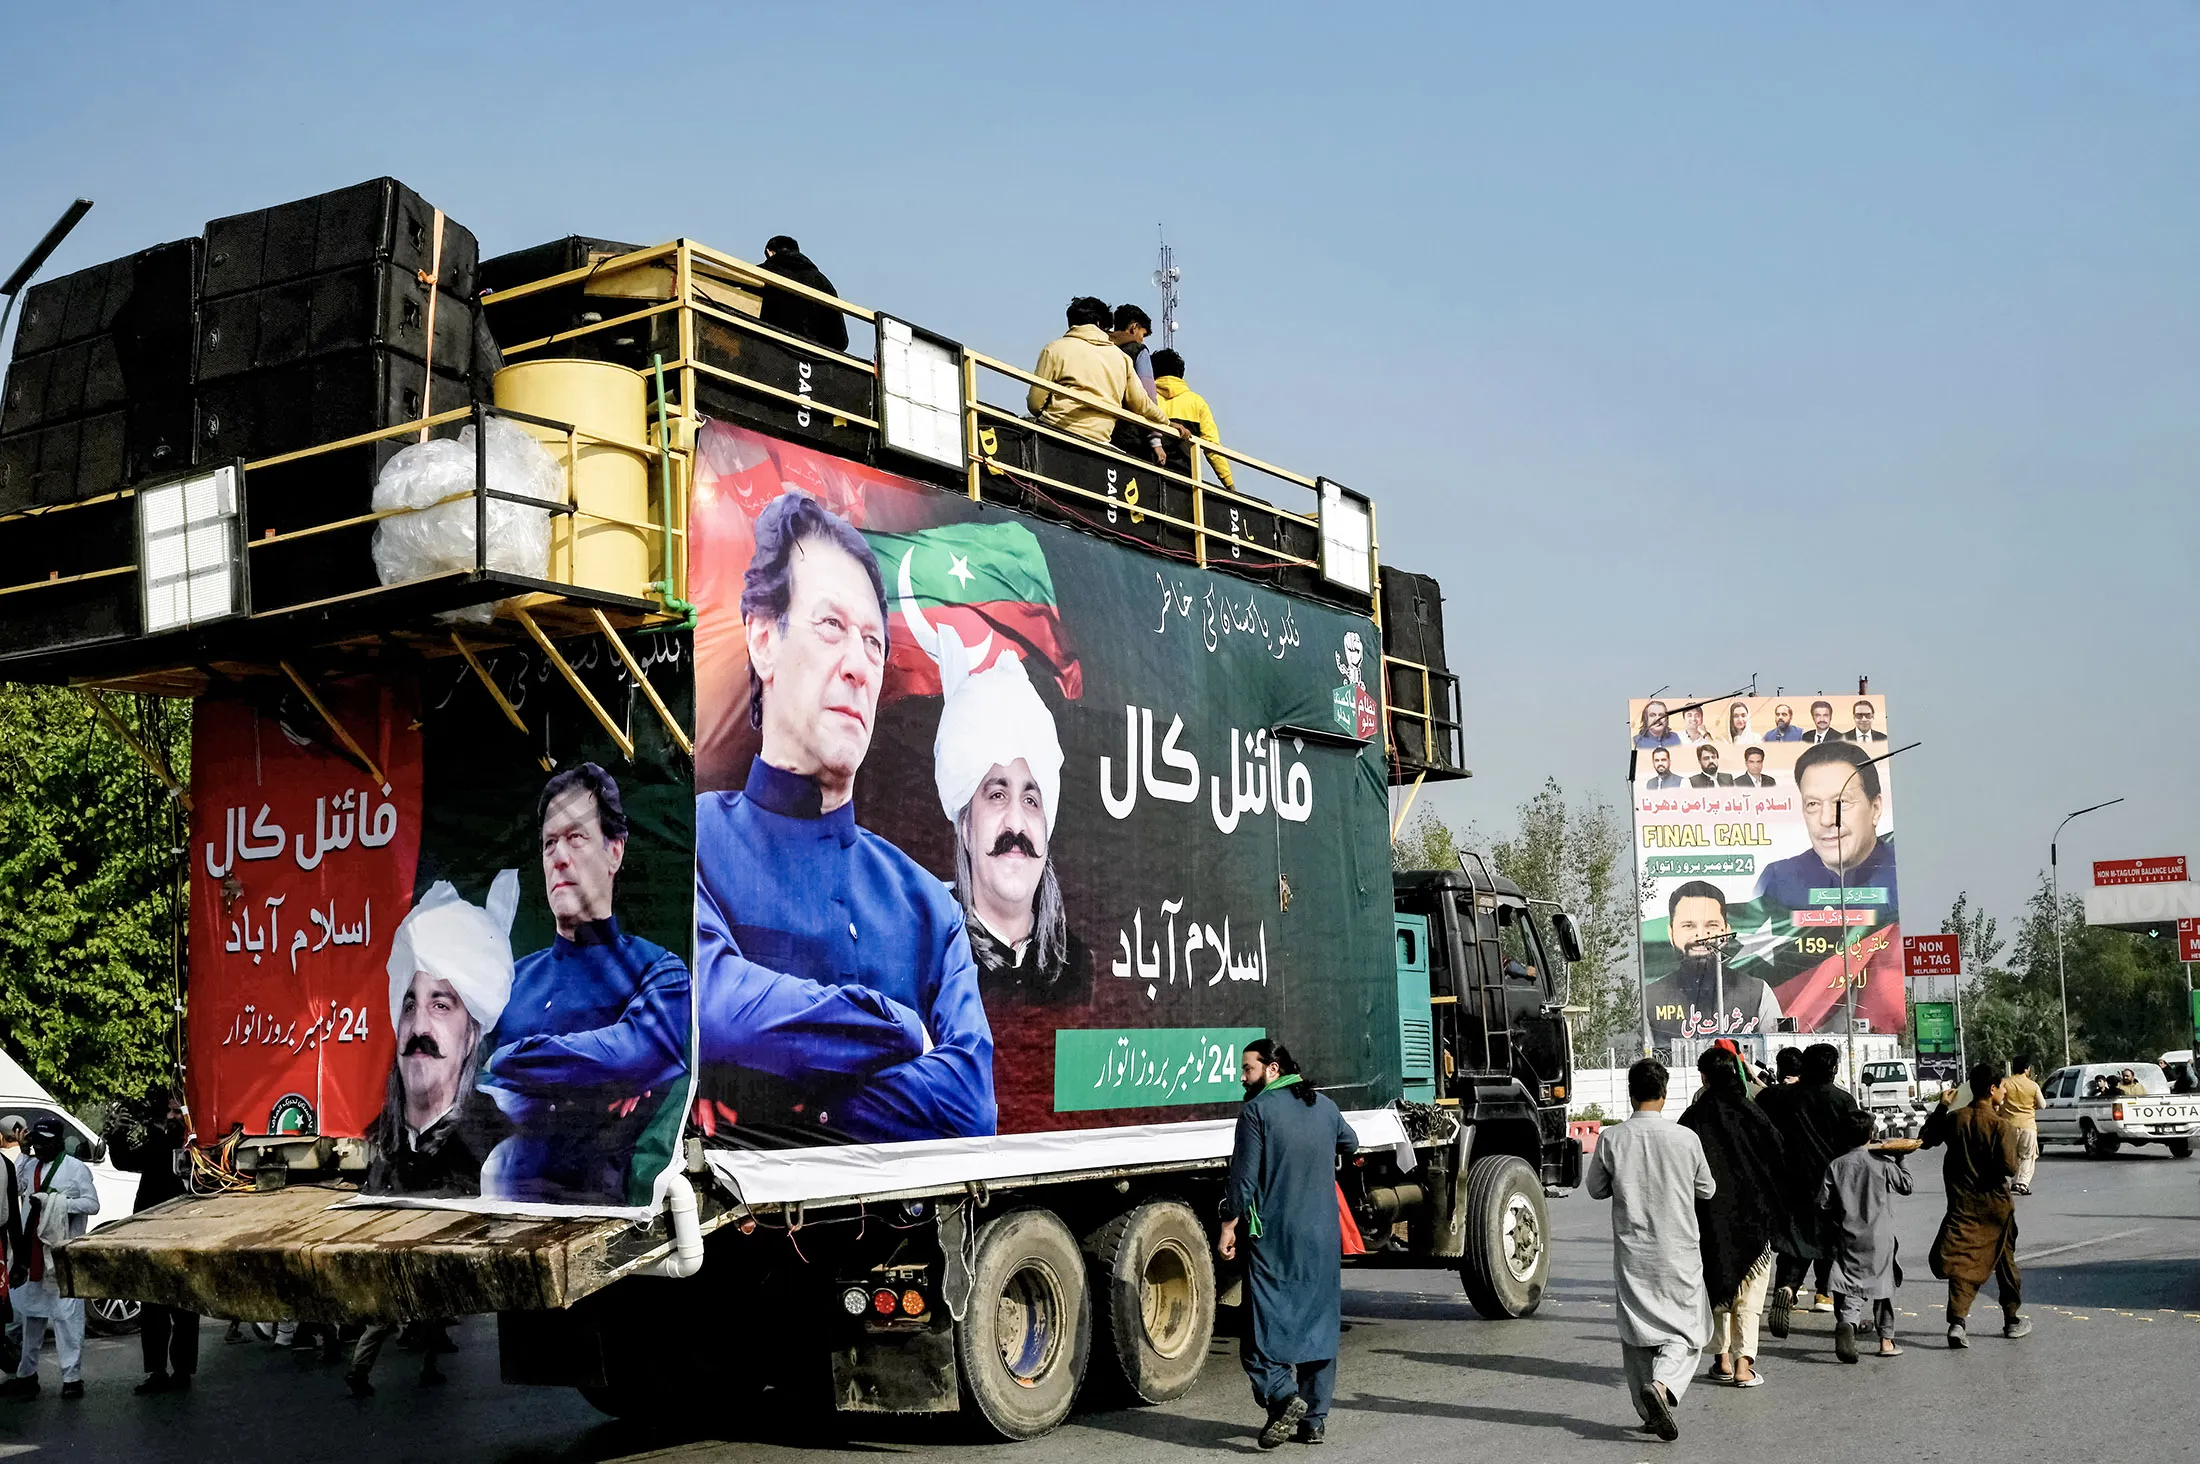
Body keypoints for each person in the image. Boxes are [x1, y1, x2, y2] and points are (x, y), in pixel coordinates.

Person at [696, 491, 995, 1142]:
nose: (859, 666)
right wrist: (901, 1030)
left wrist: (786, 1108)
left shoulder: (925, 906)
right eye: (831, 626)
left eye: (873, 644)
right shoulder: (693, 845)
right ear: (763, 639)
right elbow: (713, 1012)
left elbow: (970, 1104)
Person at [480, 764, 693, 1207]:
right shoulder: (509, 979)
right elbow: (464, 1086)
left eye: (576, 838)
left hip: (609, 1226)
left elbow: (633, 1056)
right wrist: (588, 1075)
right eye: (549, 843)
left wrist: (509, 1060)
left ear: (615, 851)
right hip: (497, 1214)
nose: (559, 857)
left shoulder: (660, 971)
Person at [931, 637, 1089, 1005]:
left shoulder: (1077, 967)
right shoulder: (928, 954)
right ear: (965, 827)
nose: (1016, 824)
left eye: (1032, 800)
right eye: (997, 795)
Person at [1218, 1040, 1358, 1449]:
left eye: (1248, 1069)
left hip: (1275, 1238)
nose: (1243, 1078)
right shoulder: (1326, 1107)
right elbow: (1351, 1143)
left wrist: (1228, 1225)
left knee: (1259, 1330)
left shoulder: (1257, 1112)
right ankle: (1314, 1421)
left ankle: (1283, 1396)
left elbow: (1243, 1183)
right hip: (1322, 1236)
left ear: (1273, 1069)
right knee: (1319, 1325)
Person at [365, 876, 519, 1199]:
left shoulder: (499, 1149)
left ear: (471, 1036)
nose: (419, 1027)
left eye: (440, 1005)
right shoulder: (371, 1145)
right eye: (409, 1006)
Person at [1586, 1058, 1713, 1442]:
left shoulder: (1611, 1138)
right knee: (1690, 1327)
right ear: (1664, 1093)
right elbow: (1706, 1189)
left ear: (1631, 1093)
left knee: (1637, 1327)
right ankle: (1661, 1386)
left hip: (1633, 1251)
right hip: (1678, 1250)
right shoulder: (1685, 1138)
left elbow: (1595, 1188)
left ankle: (1646, 1411)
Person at [1677, 1046, 1786, 1387]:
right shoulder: (1752, 1113)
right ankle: (1744, 1366)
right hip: (1754, 1215)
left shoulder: (1694, 1117)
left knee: (1716, 1283)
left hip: (1709, 1217)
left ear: (1705, 1078)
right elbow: (1778, 1156)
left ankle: (1721, 1359)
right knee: (1750, 1293)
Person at [1757, 1044, 1861, 1335]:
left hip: (1791, 1183)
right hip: (1834, 1185)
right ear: (1834, 1069)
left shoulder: (1780, 1097)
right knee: (1832, 1243)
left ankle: (1787, 1288)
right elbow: (1856, 1140)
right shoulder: (1843, 1100)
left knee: (1795, 1240)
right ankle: (1829, 1296)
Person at [1924, 1061, 2028, 1347]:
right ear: (1992, 1089)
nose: (2005, 1093)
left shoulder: (1955, 1119)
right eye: (2003, 1088)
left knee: (1962, 1262)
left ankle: (1957, 1321)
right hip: (1994, 1206)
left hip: (1962, 1204)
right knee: (2004, 1261)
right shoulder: (2000, 1125)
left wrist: (1942, 1107)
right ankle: (2011, 1319)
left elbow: (1926, 1139)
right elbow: (2008, 1167)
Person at [2, 1118, 98, 1399]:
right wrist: (25, 1152)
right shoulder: (30, 1164)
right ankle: (26, 1375)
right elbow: (14, 1186)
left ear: (58, 1142)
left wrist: (57, 1202)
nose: (41, 1147)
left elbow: (92, 1204)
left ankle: (72, 1378)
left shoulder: (74, 1168)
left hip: (59, 1251)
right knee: (31, 1315)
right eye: (37, 1141)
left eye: (46, 1142)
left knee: (66, 1316)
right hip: (31, 1252)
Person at [1754, 740, 1898, 915]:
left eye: (1841, 803)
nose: (1826, 819)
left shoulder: (1909, 875)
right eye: (1813, 804)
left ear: (1875, 809)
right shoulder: (1778, 881)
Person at [1027, 297, 1179, 452]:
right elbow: (1143, 404)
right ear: (1101, 324)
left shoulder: (1054, 349)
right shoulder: (1122, 359)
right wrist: (1166, 422)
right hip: (1100, 440)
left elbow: (1034, 403)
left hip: (1053, 434)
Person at [1819, 1114, 1911, 1360]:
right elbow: (1906, 1185)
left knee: (1851, 1284)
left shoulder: (1836, 1165)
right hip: (1880, 1237)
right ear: (1871, 1135)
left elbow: (1824, 1204)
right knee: (1883, 1287)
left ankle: (1848, 1323)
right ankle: (1886, 1341)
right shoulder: (1881, 1163)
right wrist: (1900, 1158)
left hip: (1848, 1234)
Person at [1642, 882, 1783, 1038]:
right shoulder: (1649, 999)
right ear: (1671, 933)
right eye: (1689, 926)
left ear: (1726, 931)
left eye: (1712, 925)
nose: (1702, 936)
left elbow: (1776, 1052)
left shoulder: (1757, 993)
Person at [130, 1089, 198, 1394]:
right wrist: (118, 1133)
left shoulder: (194, 1146)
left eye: (175, 1113)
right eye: (167, 1113)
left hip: (184, 1231)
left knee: (184, 1305)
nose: (170, 1118)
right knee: (153, 1306)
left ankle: (182, 1369)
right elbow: (127, 1159)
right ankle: (157, 1370)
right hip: (151, 1232)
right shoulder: (159, 1144)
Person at [1148, 348, 1235, 489]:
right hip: (1186, 481)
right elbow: (1212, 449)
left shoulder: (1146, 399)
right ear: (1180, 374)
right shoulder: (1197, 403)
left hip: (1148, 473)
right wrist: (1229, 485)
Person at [756, 235, 850, 353]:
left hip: (770, 353)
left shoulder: (760, 272)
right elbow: (840, 340)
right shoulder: (823, 283)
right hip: (813, 360)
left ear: (769, 252)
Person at [2000, 1055, 2043, 1196]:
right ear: (2027, 1069)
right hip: (2027, 1126)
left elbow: (1998, 1102)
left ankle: (2013, 1181)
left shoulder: (2005, 1083)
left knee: (2012, 1155)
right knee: (2027, 1156)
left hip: (2008, 1126)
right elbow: (2042, 1105)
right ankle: (2022, 1183)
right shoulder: (2033, 1086)